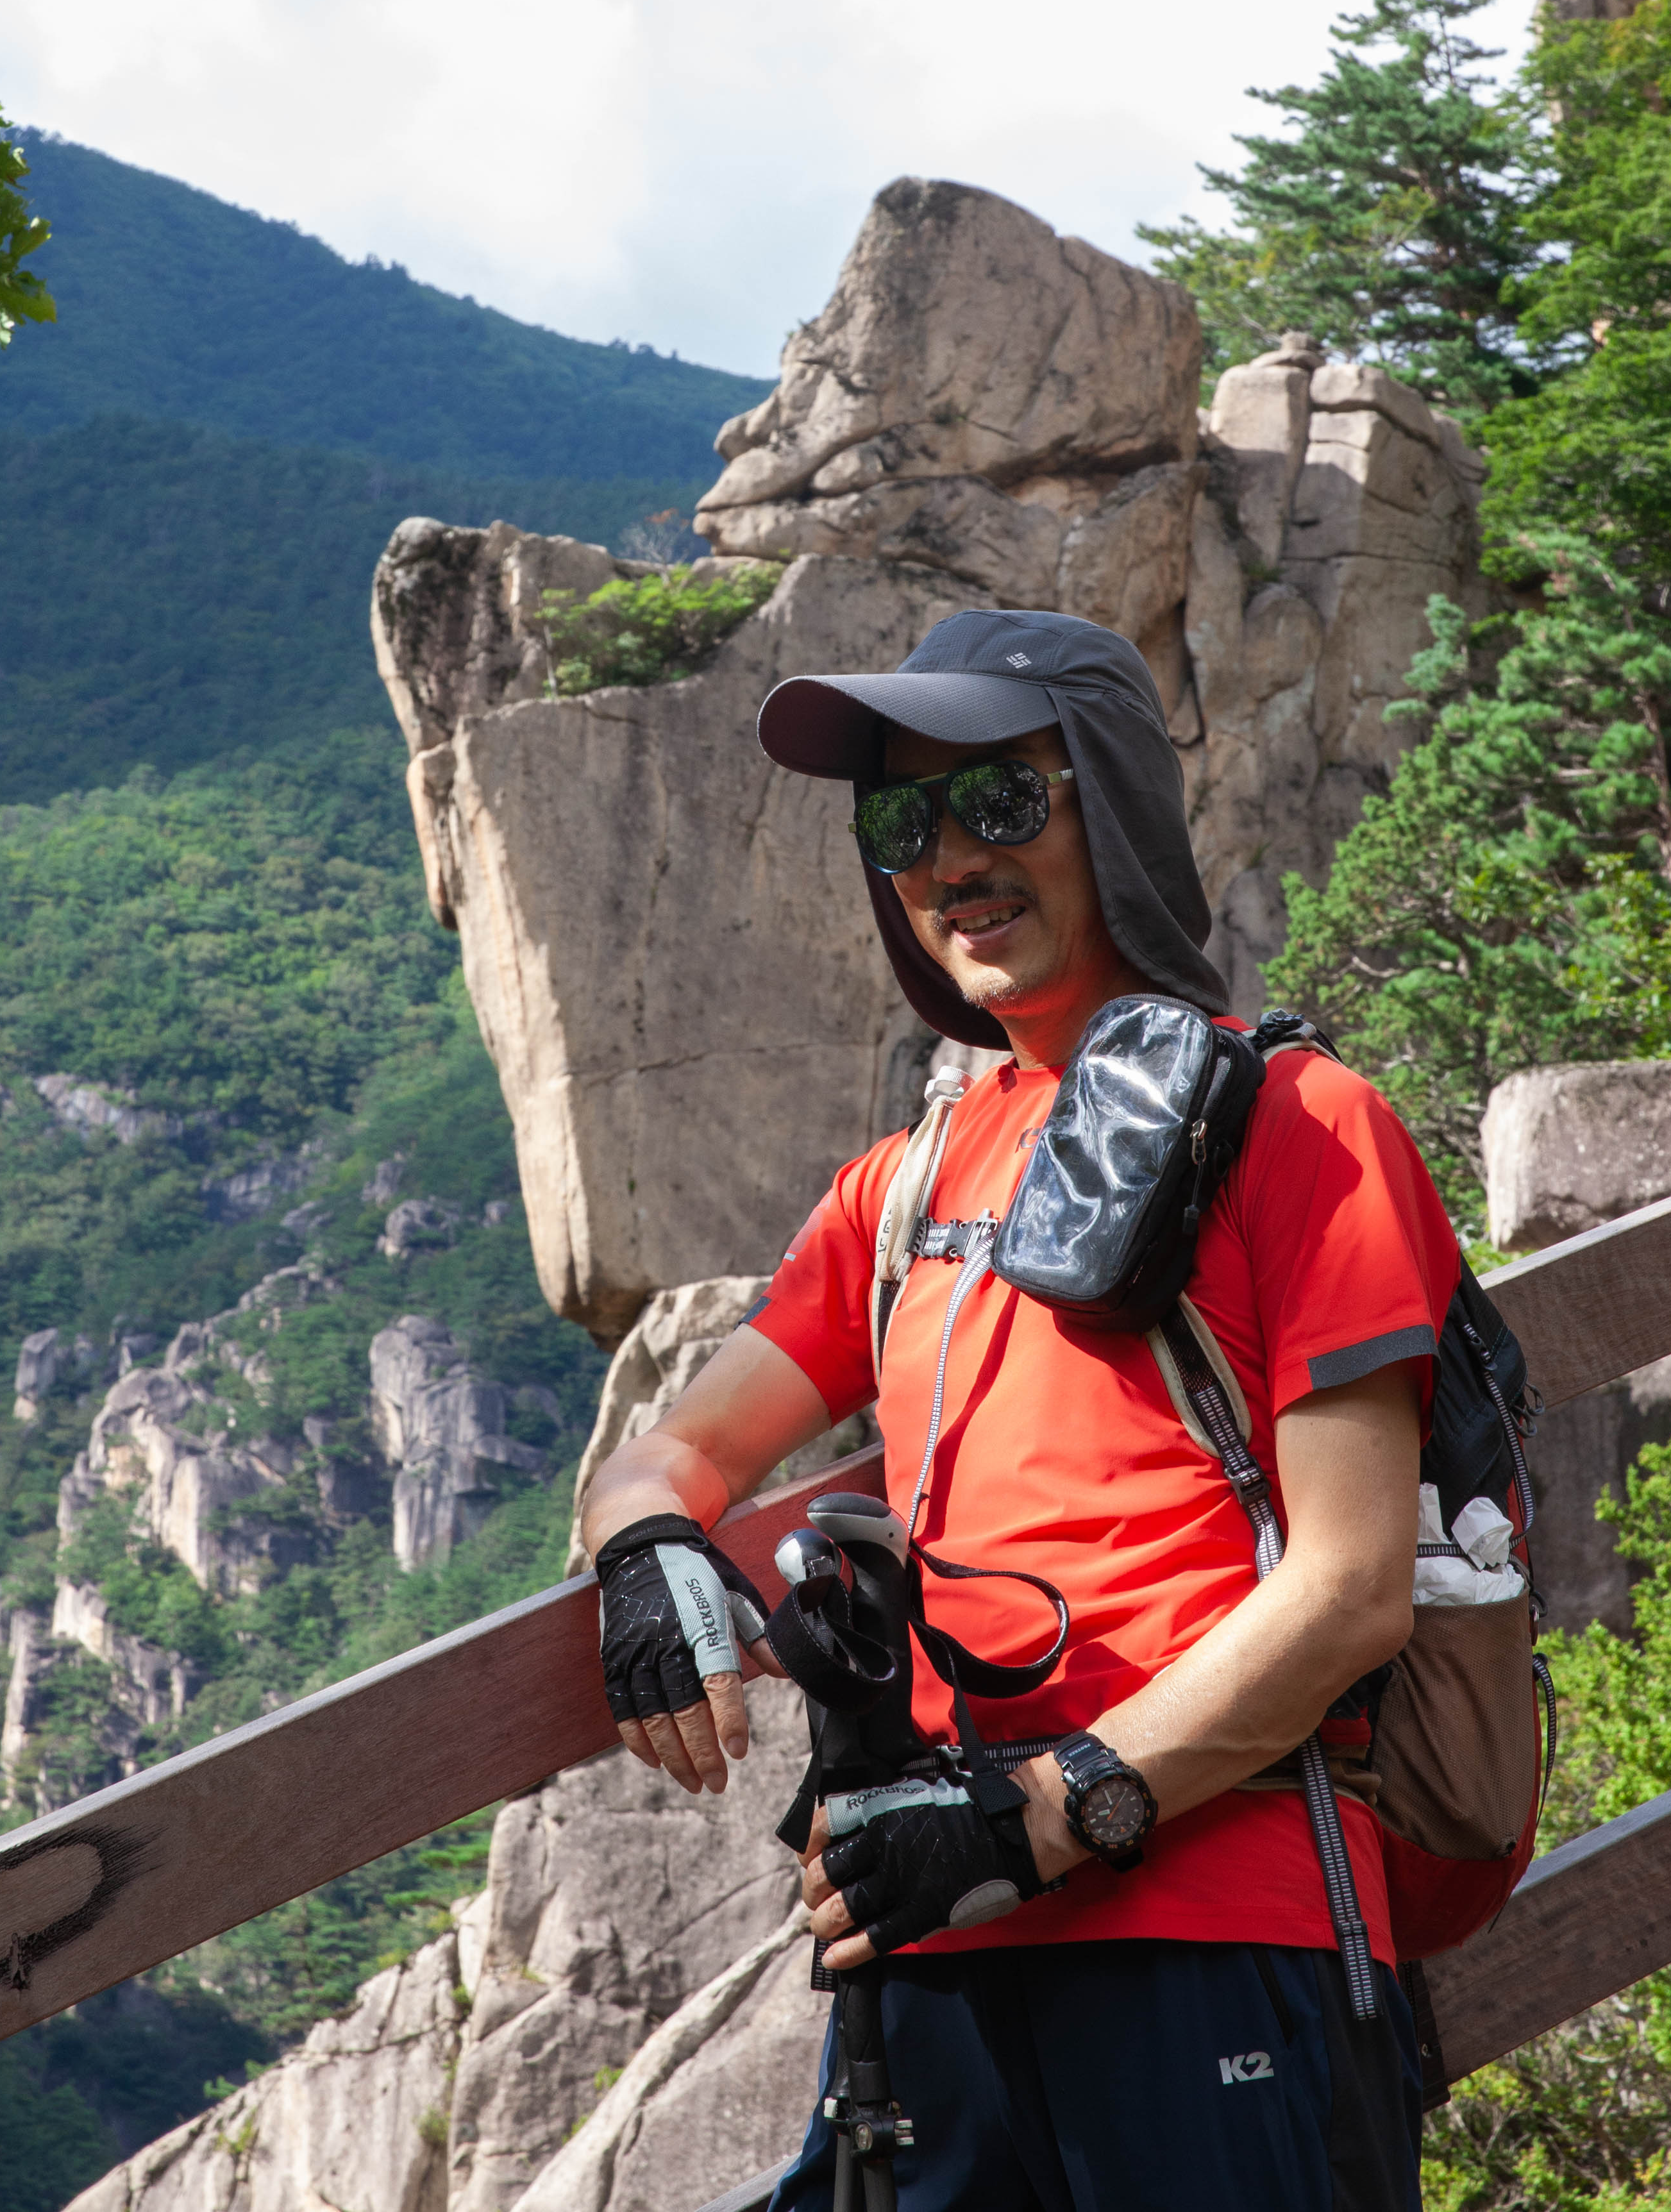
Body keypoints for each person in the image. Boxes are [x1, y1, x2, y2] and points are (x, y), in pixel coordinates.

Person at [582, 607, 1459, 2210]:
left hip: (1214, 1928)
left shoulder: (1304, 1127)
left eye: (997, 799)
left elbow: (1349, 1587)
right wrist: (645, 1553)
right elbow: (676, 1449)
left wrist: (1037, 1820)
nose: (947, 863)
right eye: (900, 822)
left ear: (1106, 802)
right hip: (932, 1940)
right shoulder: (901, 1189)